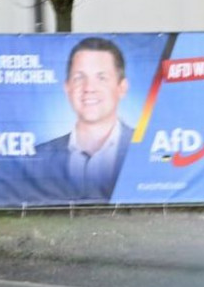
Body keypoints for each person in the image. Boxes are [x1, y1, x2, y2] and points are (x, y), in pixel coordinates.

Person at [28, 37, 134, 204]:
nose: (89, 88)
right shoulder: (37, 158)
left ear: (122, 88)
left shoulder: (144, 150)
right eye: (79, 78)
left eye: (102, 78)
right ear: (67, 87)